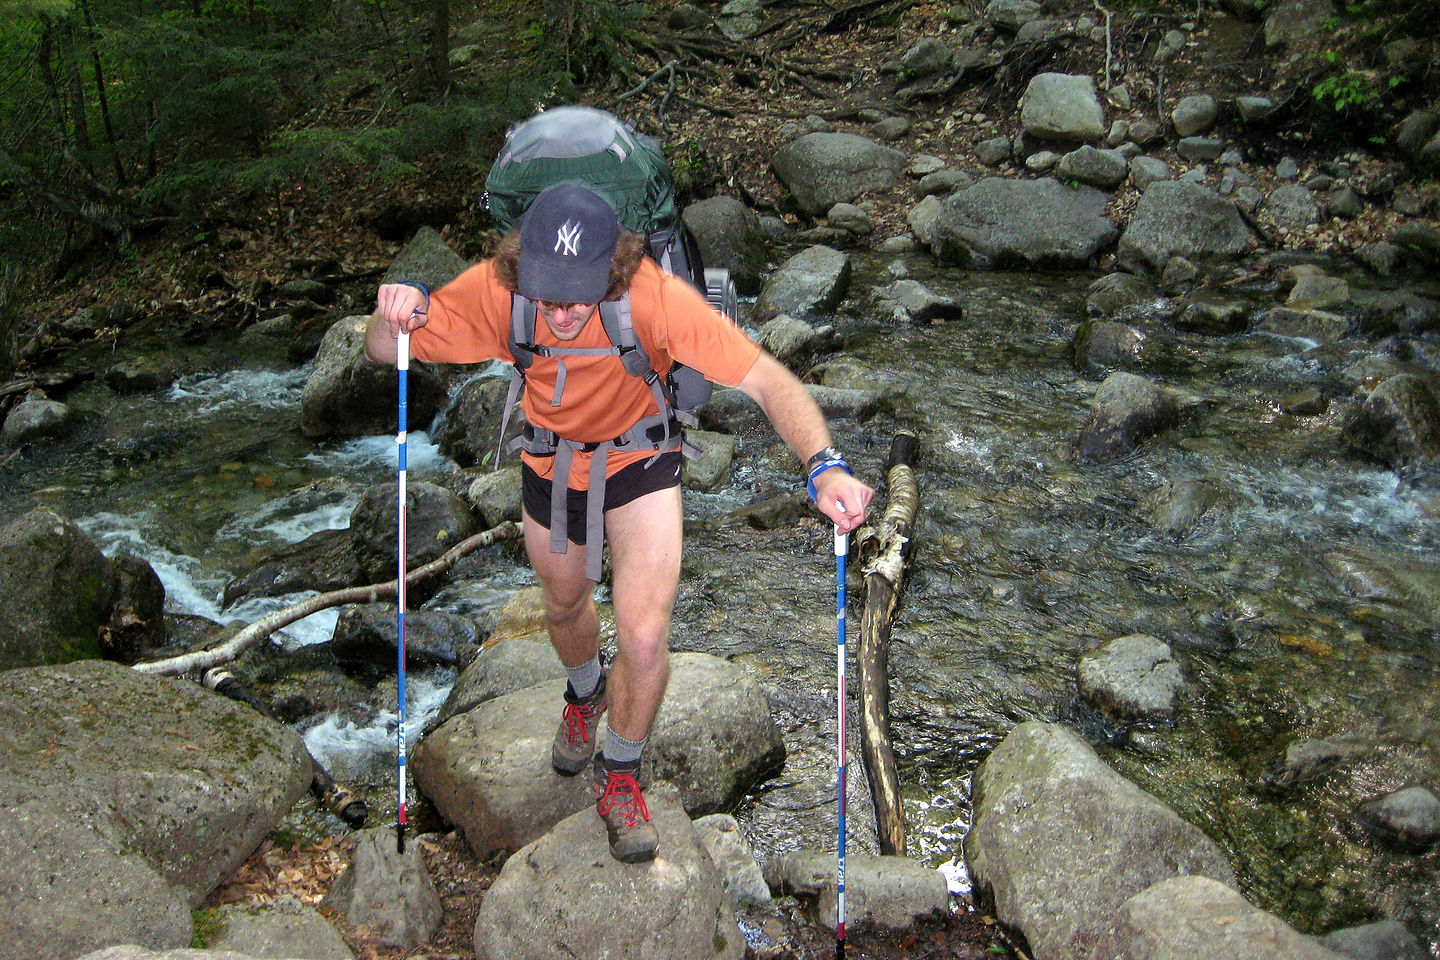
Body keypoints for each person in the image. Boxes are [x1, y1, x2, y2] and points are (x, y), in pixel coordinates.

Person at [367, 181, 873, 863]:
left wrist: (824, 464)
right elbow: (382, 350)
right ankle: (584, 692)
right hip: (549, 465)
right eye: (551, 297)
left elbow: (767, 380)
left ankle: (622, 774)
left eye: (581, 296)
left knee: (641, 632)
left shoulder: (656, 297)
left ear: (614, 268)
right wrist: (392, 310)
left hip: (642, 461)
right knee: (564, 598)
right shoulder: (500, 291)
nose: (565, 313)